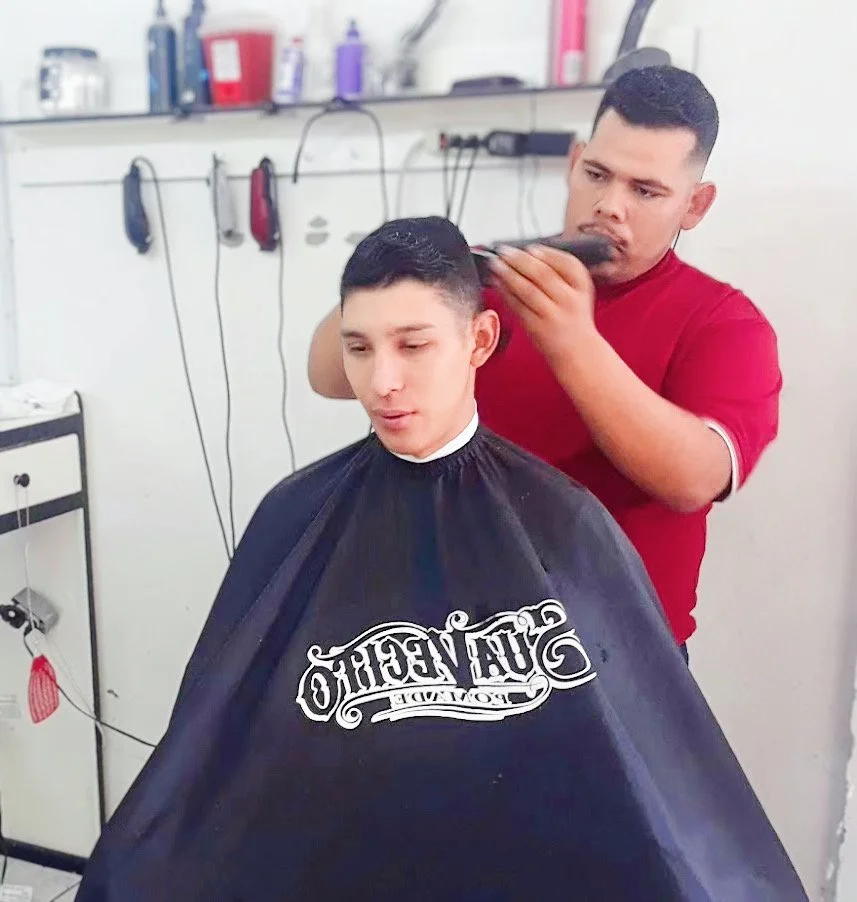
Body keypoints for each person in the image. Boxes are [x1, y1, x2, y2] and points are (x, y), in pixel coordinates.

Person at [75, 217, 807, 902]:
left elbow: (645, 795)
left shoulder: (565, 522)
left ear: (480, 340)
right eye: (359, 347)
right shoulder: (294, 516)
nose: (381, 382)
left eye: (414, 345)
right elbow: (215, 751)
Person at [306, 66, 782, 657]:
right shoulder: (491, 282)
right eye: (597, 174)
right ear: (573, 162)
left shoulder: (724, 324)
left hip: (618, 660)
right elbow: (327, 375)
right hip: (456, 643)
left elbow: (694, 480)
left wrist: (572, 344)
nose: (610, 207)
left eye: (646, 190)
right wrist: (424, 274)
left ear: (695, 205)